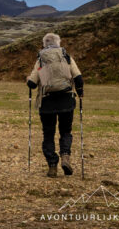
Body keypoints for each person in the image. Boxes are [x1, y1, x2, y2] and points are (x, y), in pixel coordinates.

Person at [26, 32, 84, 178]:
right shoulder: (66, 57)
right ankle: (65, 156)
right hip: (66, 100)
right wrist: (80, 92)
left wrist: (29, 79)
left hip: (47, 103)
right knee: (65, 131)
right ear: (58, 42)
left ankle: (52, 165)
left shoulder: (41, 60)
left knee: (48, 134)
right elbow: (78, 77)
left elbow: (32, 83)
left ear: (44, 44)